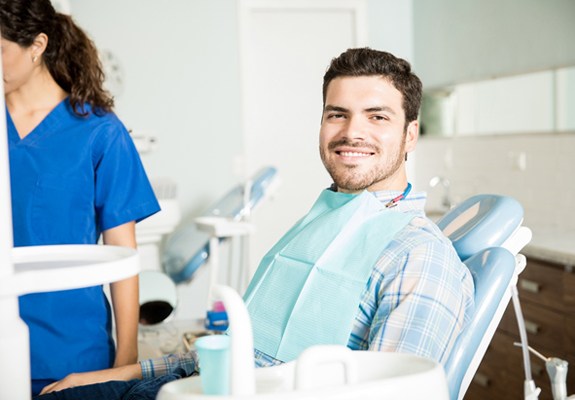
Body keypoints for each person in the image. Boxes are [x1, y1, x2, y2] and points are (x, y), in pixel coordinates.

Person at [36, 47, 474, 399]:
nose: (350, 132)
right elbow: (237, 355)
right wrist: (120, 374)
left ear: (410, 135)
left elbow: (388, 394)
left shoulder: (420, 259)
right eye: (336, 114)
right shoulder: (319, 224)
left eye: (377, 117)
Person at [0, 0, 161, 395]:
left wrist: (124, 365)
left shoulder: (99, 132)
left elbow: (123, 255)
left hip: (71, 356)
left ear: (36, 46)